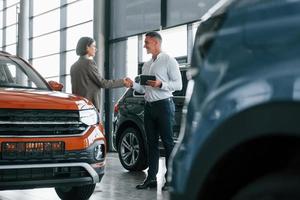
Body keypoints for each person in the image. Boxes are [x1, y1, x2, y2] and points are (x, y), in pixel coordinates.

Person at [128, 32, 182, 191]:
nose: (144, 45)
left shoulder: (168, 61)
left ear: (156, 43)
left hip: (164, 106)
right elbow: (143, 89)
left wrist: (161, 84)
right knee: (151, 144)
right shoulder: (145, 65)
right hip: (149, 107)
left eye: (147, 42)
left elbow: (178, 85)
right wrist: (132, 85)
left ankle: (171, 180)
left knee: (168, 143)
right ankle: (151, 179)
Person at [70, 37, 131, 110]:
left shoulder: (73, 66)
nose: (96, 49)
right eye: (94, 46)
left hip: (78, 106)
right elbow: (102, 83)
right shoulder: (89, 63)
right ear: (87, 47)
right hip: (89, 107)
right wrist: (123, 82)